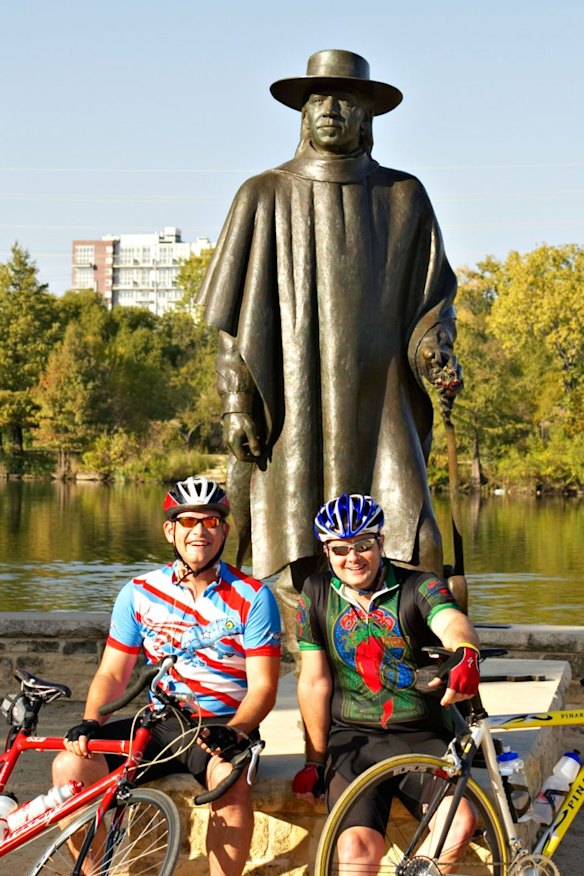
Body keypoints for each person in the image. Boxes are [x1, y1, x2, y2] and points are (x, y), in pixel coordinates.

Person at [196, 49, 462, 603]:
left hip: (380, 398)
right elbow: (232, 327)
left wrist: (436, 348)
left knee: (416, 536)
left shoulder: (403, 195)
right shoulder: (262, 194)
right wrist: (237, 404)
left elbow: (432, 301)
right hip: (294, 396)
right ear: (302, 114)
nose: (331, 109)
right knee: (288, 534)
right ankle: (298, 624)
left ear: (367, 117)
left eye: (345, 99)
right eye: (319, 99)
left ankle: (416, 622)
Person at [52, 476, 281, 876]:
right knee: (69, 769)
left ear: (224, 530)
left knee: (230, 780)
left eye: (210, 522)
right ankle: (95, 871)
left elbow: (263, 686)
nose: (199, 531)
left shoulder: (253, 597)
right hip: (161, 722)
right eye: (189, 521)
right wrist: (92, 720)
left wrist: (239, 730)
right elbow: (112, 672)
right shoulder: (139, 592)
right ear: (169, 529)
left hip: (224, 723)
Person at [292, 493, 480, 872]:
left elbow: (450, 622)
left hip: (424, 735)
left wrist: (465, 651)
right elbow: (314, 682)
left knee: (458, 824)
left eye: (364, 545)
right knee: (356, 854)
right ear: (326, 552)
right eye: (340, 548)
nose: (353, 557)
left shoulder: (420, 585)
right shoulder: (314, 593)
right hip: (354, 741)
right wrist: (314, 759)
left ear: (381, 543)